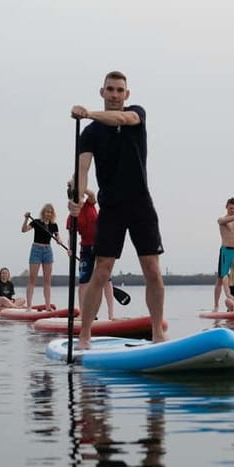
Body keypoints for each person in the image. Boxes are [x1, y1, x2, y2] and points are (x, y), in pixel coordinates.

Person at [69, 70, 166, 347]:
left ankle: (158, 333)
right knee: (102, 270)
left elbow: (123, 118)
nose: (114, 95)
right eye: (109, 90)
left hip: (140, 203)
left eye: (119, 90)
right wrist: (76, 198)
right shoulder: (90, 133)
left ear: (127, 94)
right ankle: (85, 336)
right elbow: (83, 170)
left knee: (152, 270)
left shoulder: (137, 114)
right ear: (102, 92)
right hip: (110, 205)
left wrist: (87, 112)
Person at [66, 185, 116, 320]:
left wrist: (78, 184)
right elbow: (71, 235)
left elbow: (92, 194)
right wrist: (71, 249)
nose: (81, 200)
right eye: (77, 198)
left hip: (102, 245)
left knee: (106, 279)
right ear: (71, 201)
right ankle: (83, 313)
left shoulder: (89, 203)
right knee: (83, 282)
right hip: (86, 248)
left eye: (82, 196)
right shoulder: (72, 217)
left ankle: (111, 314)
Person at [21, 204, 60, 311]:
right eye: (47, 212)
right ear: (43, 212)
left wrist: (59, 240)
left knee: (47, 280)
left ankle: (47, 306)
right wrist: (25, 219)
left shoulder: (54, 225)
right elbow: (24, 230)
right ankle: (29, 306)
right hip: (36, 250)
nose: (48, 214)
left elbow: (58, 237)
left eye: (50, 212)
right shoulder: (36, 222)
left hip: (48, 251)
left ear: (52, 214)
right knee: (32, 279)